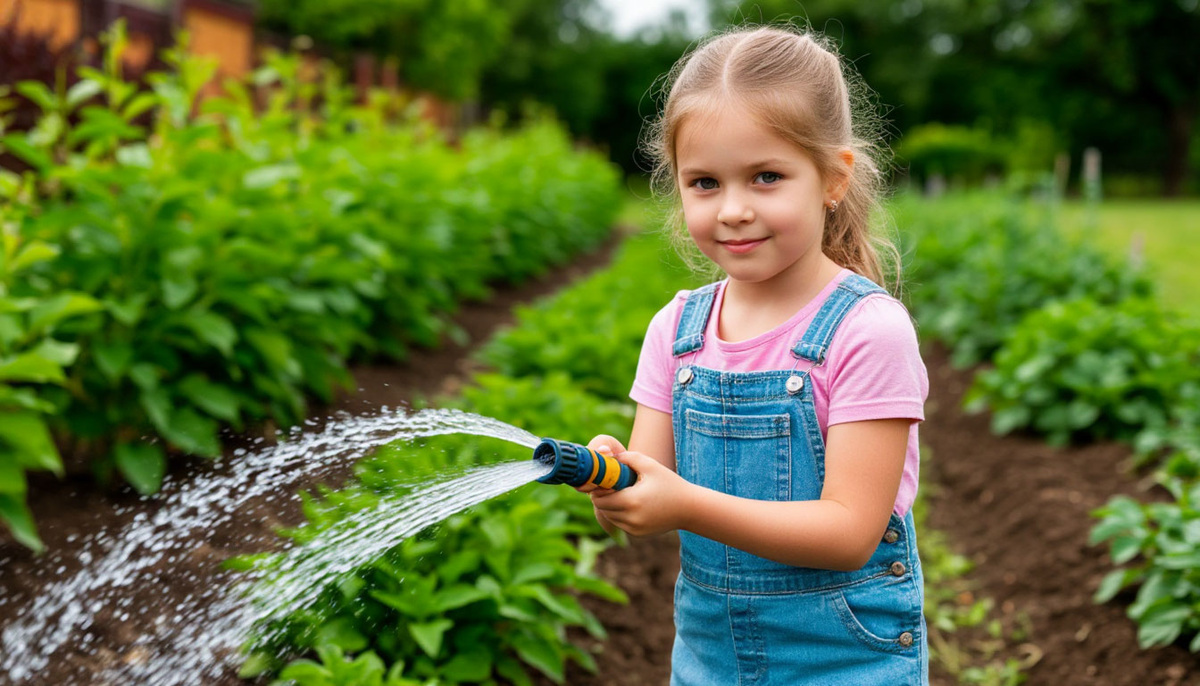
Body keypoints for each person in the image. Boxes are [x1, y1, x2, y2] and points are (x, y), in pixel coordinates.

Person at [582, 24, 930, 685]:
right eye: (705, 183)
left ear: (832, 179)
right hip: (710, 660)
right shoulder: (676, 329)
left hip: (844, 660)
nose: (734, 209)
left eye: (766, 177)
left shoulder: (867, 332)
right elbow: (653, 483)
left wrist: (682, 504)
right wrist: (617, 484)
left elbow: (849, 531)